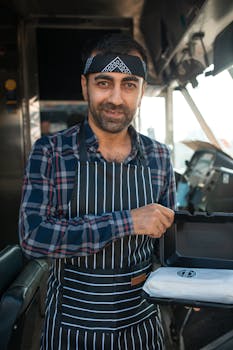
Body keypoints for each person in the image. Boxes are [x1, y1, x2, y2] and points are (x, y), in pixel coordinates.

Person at [18, 33, 176, 350]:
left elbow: (168, 245)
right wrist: (126, 221)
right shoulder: (50, 152)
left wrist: (193, 279)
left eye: (129, 84)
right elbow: (33, 237)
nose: (116, 98)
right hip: (72, 328)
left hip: (141, 325)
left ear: (142, 91)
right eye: (104, 82)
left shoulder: (159, 156)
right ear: (84, 86)